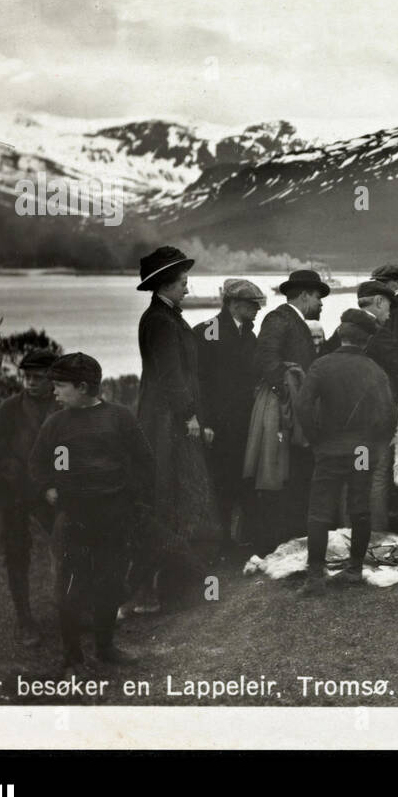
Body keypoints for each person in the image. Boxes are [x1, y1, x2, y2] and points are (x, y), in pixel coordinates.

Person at [30, 353, 154, 675]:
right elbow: (38, 464)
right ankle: (72, 657)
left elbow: (144, 461)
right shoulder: (55, 424)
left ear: (83, 387)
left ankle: (106, 647)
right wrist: (47, 488)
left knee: (110, 583)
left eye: (60, 386)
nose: (54, 392)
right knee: (68, 588)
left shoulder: (119, 418)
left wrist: (132, 501)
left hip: (113, 518)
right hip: (73, 518)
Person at [134, 246, 220, 612]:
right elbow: (171, 377)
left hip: (171, 420)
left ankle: (172, 585)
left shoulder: (168, 317)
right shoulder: (159, 321)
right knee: (169, 499)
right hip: (165, 424)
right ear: (166, 284)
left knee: (178, 500)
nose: (188, 288)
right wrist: (190, 417)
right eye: (183, 282)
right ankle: (158, 591)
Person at [293, 310, 397, 596]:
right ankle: (354, 570)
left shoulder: (321, 365)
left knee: (319, 510)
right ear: (366, 341)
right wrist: (373, 444)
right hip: (363, 449)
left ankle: (315, 577)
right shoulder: (375, 371)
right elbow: (389, 416)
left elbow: (302, 407)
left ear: (340, 334)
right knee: (360, 507)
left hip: (329, 447)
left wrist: (316, 439)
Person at [329, 279, 398, 531]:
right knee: (374, 478)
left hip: (344, 421)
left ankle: (348, 535)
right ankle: (374, 538)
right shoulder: (375, 332)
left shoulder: (340, 330)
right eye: (389, 307)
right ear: (378, 302)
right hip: (371, 423)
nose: (390, 315)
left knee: (353, 478)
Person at [0, 349, 58, 646]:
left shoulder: (61, 406)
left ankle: (77, 610)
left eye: (39, 377)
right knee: (17, 553)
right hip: (14, 494)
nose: (31, 383)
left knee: (70, 542)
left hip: (49, 492)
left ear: (53, 379)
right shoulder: (10, 408)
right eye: (27, 377)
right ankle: (25, 622)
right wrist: (6, 479)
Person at [253, 269, 329, 548]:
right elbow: (266, 359)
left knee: (292, 471)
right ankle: (279, 538)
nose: (321, 304)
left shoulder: (289, 321)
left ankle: (291, 535)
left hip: (291, 411)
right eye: (318, 297)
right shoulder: (280, 319)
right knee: (284, 472)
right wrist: (288, 396)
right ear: (306, 294)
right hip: (286, 414)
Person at [193, 279, 263, 549]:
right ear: (234, 304)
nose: (257, 309)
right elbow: (200, 381)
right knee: (223, 482)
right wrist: (206, 421)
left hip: (243, 421)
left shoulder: (247, 333)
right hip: (220, 424)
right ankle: (223, 543)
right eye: (251, 304)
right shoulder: (208, 332)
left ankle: (242, 540)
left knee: (242, 479)